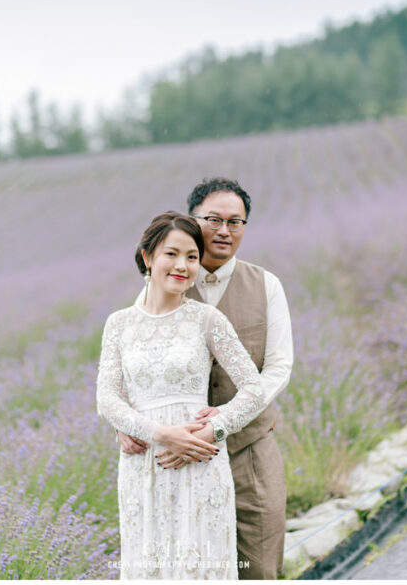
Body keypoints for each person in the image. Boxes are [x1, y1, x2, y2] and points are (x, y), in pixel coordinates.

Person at [121, 178, 293, 579]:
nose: (224, 230)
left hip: (250, 447)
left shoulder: (266, 285)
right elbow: (135, 360)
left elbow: (279, 367)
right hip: (180, 456)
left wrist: (221, 422)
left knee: (260, 563)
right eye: (213, 219)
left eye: (236, 222)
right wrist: (125, 423)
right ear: (193, 220)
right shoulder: (162, 283)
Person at [96, 211, 266, 579]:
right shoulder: (119, 324)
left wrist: (215, 428)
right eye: (171, 254)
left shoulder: (207, 319)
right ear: (147, 257)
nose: (183, 266)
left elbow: (254, 390)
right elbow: (108, 399)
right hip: (144, 467)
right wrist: (157, 433)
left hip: (200, 461)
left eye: (192, 257)